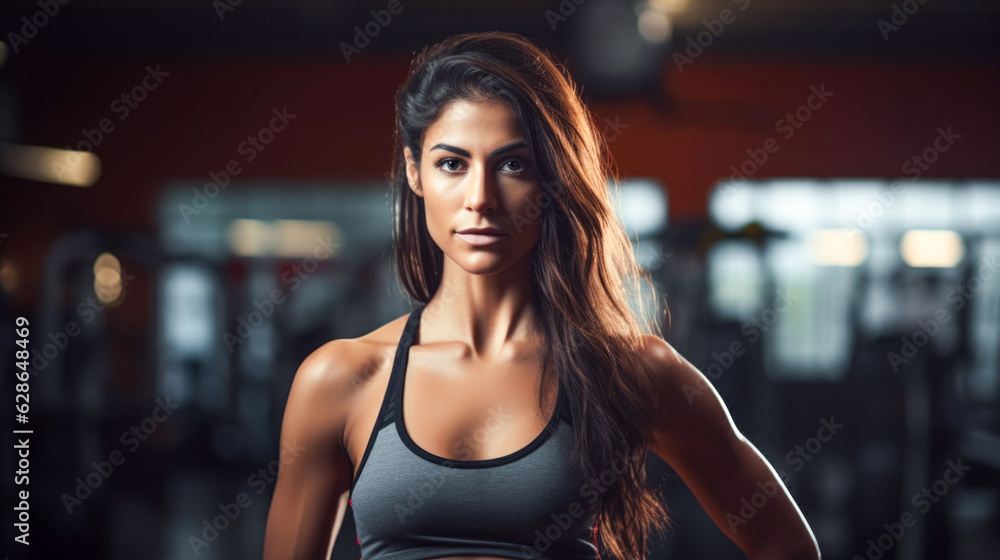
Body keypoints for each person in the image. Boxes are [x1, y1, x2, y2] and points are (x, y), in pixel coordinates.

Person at [263, 31, 820, 560]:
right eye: (451, 164)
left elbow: (786, 546)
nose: (479, 198)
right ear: (414, 172)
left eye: (512, 163)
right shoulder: (340, 379)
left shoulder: (630, 372)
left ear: (551, 180)